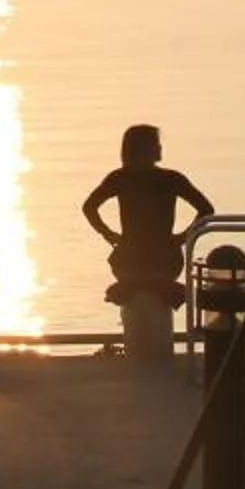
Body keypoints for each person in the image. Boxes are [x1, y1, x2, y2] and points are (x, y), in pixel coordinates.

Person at [81, 124, 214, 365]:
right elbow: (206, 210)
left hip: (129, 257)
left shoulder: (120, 178)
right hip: (165, 257)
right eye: (155, 144)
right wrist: (182, 238)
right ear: (142, 148)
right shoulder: (170, 179)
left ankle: (142, 352)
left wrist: (110, 235)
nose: (160, 147)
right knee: (152, 285)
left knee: (138, 284)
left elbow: (89, 207)